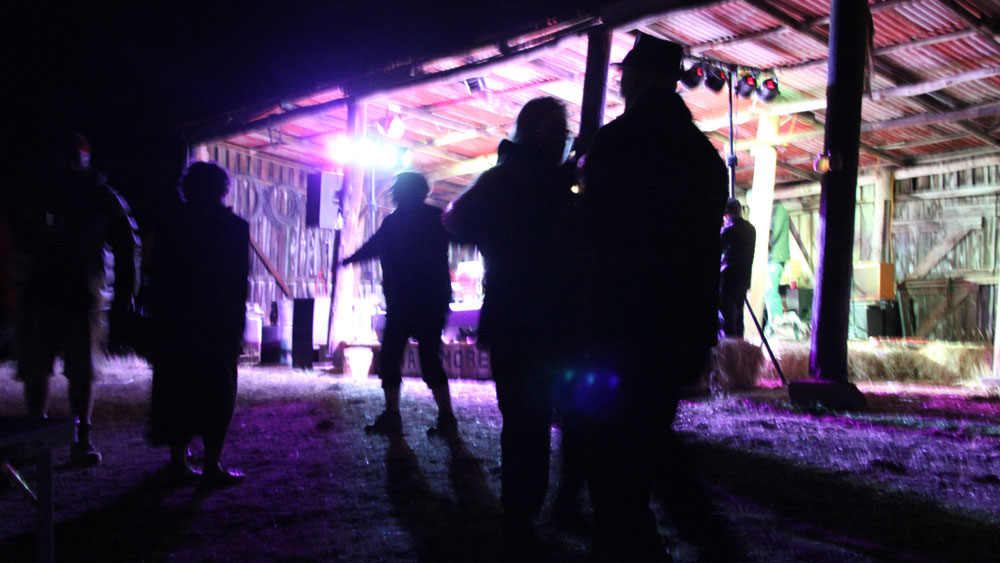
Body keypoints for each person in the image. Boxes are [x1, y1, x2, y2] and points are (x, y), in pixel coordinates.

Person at [575, 33, 734, 561]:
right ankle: (683, 534)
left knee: (612, 438)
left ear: (638, 76)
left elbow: (593, 231)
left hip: (621, 317)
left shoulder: (617, 142)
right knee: (649, 429)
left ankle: (647, 540)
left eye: (626, 72)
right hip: (681, 321)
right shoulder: (704, 156)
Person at [443, 96, 575, 558]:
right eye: (557, 130)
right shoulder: (525, 181)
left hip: (543, 318)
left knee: (537, 421)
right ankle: (524, 518)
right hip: (530, 318)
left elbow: (455, 219)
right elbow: (454, 218)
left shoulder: (525, 179)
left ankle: (537, 512)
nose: (563, 139)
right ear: (535, 131)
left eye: (565, 132)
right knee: (530, 422)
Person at [11, 131, 140, 466]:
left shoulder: (100, 196)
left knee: (79, 372)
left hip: (81, 297)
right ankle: (41, 440)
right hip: (44, 293)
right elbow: (15, 241)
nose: (69, 161)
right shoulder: (40, 194)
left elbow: (127, 245)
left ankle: (80, 439)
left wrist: (126, 291)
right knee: (39, 370)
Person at [148, 161, 248, 486]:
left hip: (177, 322)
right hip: (216, 324)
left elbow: (157, 277)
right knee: (218, 393)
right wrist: (236, 328)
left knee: (177, 390)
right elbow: (238, 284)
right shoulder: (234, 227)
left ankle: (178, 461)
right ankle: (211, 465)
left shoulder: (170, 224)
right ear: (222, 190)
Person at [342, 172, 457, 437]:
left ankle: (394, 416)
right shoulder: (435, 218)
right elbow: (461, 235)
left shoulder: (394, 222)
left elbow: (373, 247)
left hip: (403, 301)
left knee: (391, 357)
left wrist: (349, 259)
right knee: (429, 358)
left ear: (400, 192)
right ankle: (446, 418)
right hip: (431, 300)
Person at [719, 197, 756, 339]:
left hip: (728, 281)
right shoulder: (751, 229)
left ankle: (730, 348)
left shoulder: (729, 230)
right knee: (739, 319)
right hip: (743, 281)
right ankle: (739, 346)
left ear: (726, 215)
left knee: (727, 321)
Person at [766, 202, 790, 329]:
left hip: (776, 258)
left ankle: (777, 322)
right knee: (768, 293)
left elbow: (774, 234)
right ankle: (773, 322)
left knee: (771, 291)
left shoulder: (779, 210)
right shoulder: (772, 212)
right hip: (770, 258)